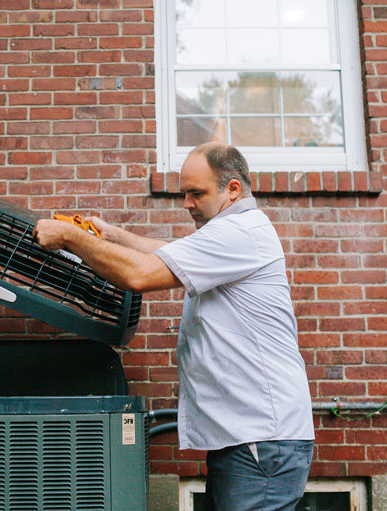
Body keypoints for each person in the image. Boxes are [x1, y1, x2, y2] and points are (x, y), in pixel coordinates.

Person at [34, 141, 314, 511]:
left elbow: (139, 273)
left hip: (260, 439)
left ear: (232, 189)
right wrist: (107, 233)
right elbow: (165, 251)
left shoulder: (239, 233)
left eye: (197, 193)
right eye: (185, 193)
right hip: (248, 437)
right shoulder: (232, 231)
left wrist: (72, 237)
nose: (187, 203)